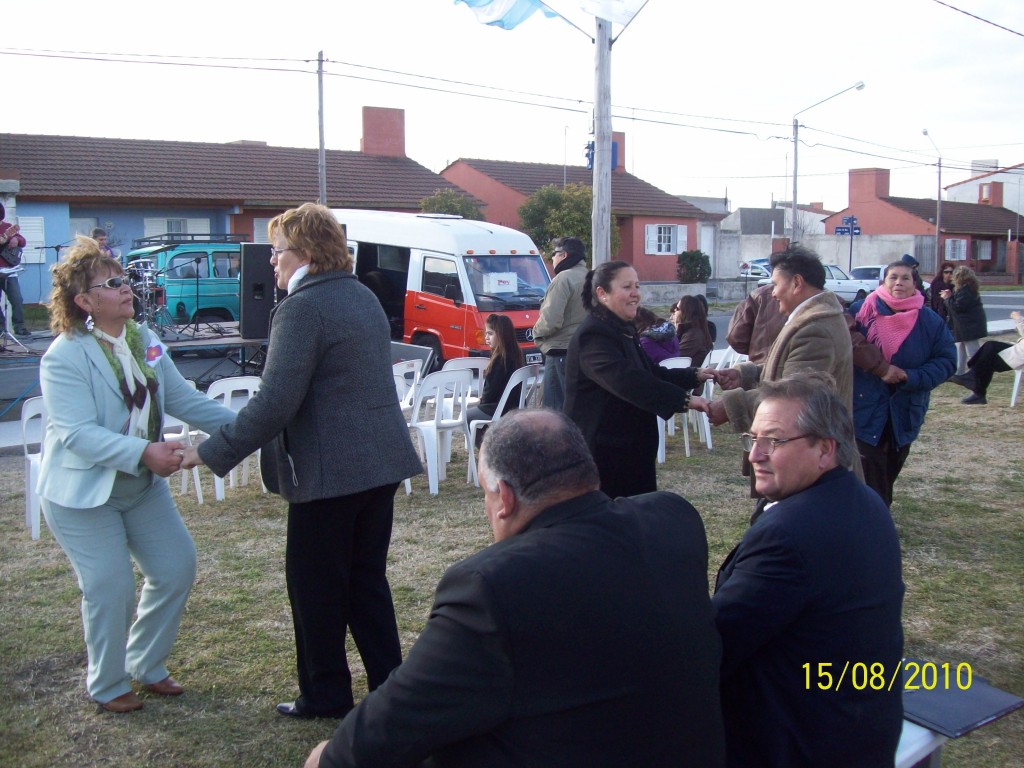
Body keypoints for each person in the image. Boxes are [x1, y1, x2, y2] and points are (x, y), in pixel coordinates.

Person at [304, 409, 726, 768]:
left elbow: (380, 735)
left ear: (504, 497)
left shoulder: (491, 586)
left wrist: (325, 756)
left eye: (485, 495)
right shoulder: (673, 519)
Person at [185, 203, 422, 719]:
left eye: (278, 251)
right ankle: (393, 690)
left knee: (315, 590)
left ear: (307, 252)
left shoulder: (303, 307)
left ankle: (325, 694)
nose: (272, 261)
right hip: (379, 462)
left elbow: (275, 402)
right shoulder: (361, 295)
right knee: (366, 583)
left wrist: (208, 451)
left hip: (331, 472)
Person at [38, 239, 237, 713]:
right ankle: (107, 683)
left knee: (175, 567)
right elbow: (77, 434)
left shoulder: (143, 338)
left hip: (140, 488)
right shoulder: (63, 357)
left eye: (124, 279)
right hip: (83, 494)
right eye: (111, 283)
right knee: (110, 587)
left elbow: (183, 399)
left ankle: (146, 663)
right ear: (85, 301)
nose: (126, 287)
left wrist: (253, 426)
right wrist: (144, 452)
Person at [712, 372, 904, 767]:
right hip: (860, 728)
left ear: (825, 450)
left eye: (774, 441)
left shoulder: (789, 535)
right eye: (753, 439)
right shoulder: (864, 501)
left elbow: (715, 645)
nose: (755, 455)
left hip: (800, 743)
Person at [564, 261, 711, 497]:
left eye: (637, 286)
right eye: (627, 287)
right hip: (603, 453)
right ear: (602, 293)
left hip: (629, 449)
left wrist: (694, 374)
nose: (636, 293)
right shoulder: (593, 334)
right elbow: (627, 381)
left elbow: (650, 372)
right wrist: (685, 401)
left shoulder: (623, 329)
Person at [702, 245, 853, 435]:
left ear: (796, 283)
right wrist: (744, 375)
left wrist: (730, 406)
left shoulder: (815, 329)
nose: (773, 293)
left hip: (807, 444)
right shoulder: (808, 320)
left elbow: (793, 394)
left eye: (775, 284)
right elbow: (787, 369)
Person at [849, 261, 955, 506]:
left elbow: (947, 361)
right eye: (893, 277)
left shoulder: (929, 321)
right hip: (863, 409)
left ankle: (875, 514)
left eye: (905, 278)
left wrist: (910, 376)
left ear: (915, 284)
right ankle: (875, 521)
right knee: (870, 474)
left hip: (905, 409)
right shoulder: (861, 312)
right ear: (883, 282)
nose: (899, 282)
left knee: (889, 470)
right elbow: (846, 345)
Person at [532, 236, 587, 410]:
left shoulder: (563, 279)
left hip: (561, 351)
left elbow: (551, 320)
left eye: (554, 254)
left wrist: (536, 333)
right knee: (577, 407)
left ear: (564, 255)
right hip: (586, 349)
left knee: (555, 411)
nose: (552, 259)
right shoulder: (592, 277)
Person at [465, 313, 525, 430]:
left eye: (490, 334)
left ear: (502, 335)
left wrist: (481, 401)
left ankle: (485, 442)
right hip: (516, 405)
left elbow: (491, 390)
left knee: (466, 416)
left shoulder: (500, 358)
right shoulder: (516, 354)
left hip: (501, 408)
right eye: (486, 333)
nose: (486, 337)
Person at [952, 309, 1024, 405]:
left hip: (1019, 356)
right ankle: (973, 380)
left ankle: (976, 389)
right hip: (1018, 350)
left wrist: (1018, 318)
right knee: (989, 347)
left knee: (988, 357)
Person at [941, 265, 987, 375]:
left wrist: (947, 298)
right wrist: (950, 296)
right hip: (965, 325)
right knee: (960, 348)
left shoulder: (966, 290)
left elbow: (958, 307)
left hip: (968, 326)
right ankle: (959, 373)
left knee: (972, 351)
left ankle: (976, 373)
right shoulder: (967, 288)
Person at [726, 282, 785, 363]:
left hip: (763, 364)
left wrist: (758, 352)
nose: (774, 294)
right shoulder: (761, 295)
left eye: (775, 283)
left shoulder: (761, 295)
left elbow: (735, 337)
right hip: (765, 365)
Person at [0, 201, 29, 335]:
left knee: (17, 299)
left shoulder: (7, 227)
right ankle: (1, 329)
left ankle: (19, 327)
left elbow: (23, 241)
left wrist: (16, 240)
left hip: (9, 271)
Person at [671, 294, 713, 365]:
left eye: (677, 309)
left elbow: (674, 358)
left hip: (685, 370)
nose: (675, 312)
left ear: (686, 312)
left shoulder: (693, 335)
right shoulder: (691, 331)